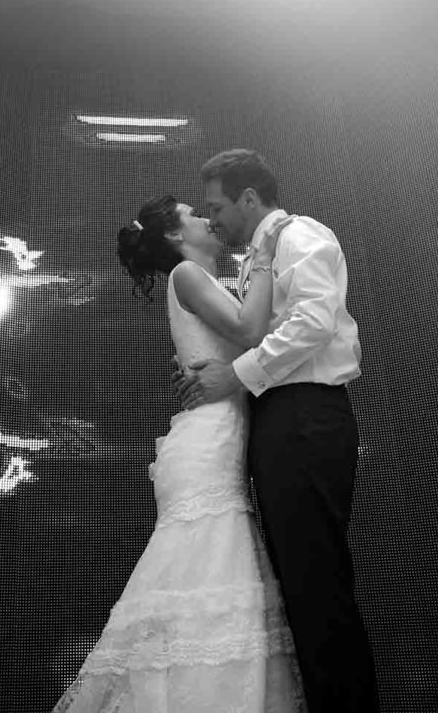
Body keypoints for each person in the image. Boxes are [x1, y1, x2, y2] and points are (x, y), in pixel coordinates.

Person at [52, 194, 305, 712]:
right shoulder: (188, 275)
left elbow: (242, 344)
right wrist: (262, 257)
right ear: (174, 234)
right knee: (206, 583)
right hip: (208, 447)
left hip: (218, 442)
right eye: (195, 215)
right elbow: (251, 332)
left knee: (212, 589)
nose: (208, 220)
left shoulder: (201, 280)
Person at [175, 148, 380, 712]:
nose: (213, 219)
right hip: (283, 423)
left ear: (248, 198)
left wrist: (235, 376)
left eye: (217, 207)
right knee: (301, 587)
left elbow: (314, 321)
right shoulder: (257, 258)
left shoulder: (300, 234)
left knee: (318, 588)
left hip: (306, 419)